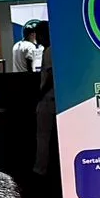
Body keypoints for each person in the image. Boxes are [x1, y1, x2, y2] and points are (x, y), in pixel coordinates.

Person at [33, 22, 56, 182]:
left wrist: (40, 95)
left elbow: (50, 77)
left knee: (43, 137)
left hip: (48, 99)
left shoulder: (48, 51)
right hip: (57, 99)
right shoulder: (58, 49)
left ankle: (40, 170)